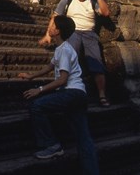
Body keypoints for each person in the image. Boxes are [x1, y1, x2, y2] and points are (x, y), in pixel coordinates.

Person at [19, 15, 100, 173]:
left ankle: (51, 145)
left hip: (71, 93)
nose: (50, 27)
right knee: (84, 138)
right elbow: (50, 67)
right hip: (79, 95)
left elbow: (62, 80)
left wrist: (39, 90)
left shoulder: (64, 50)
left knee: (36, 106)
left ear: (58, 31)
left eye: (53, 26)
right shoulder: (62, 49)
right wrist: (31, 75)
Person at [39, 0, 110, 107]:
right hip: (73, 31)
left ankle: (102, 94)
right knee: (70, 59)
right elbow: (55, 17)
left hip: (89, 32)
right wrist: (48, 34)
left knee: (97, 63)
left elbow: (106, 13)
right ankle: (67, 89)